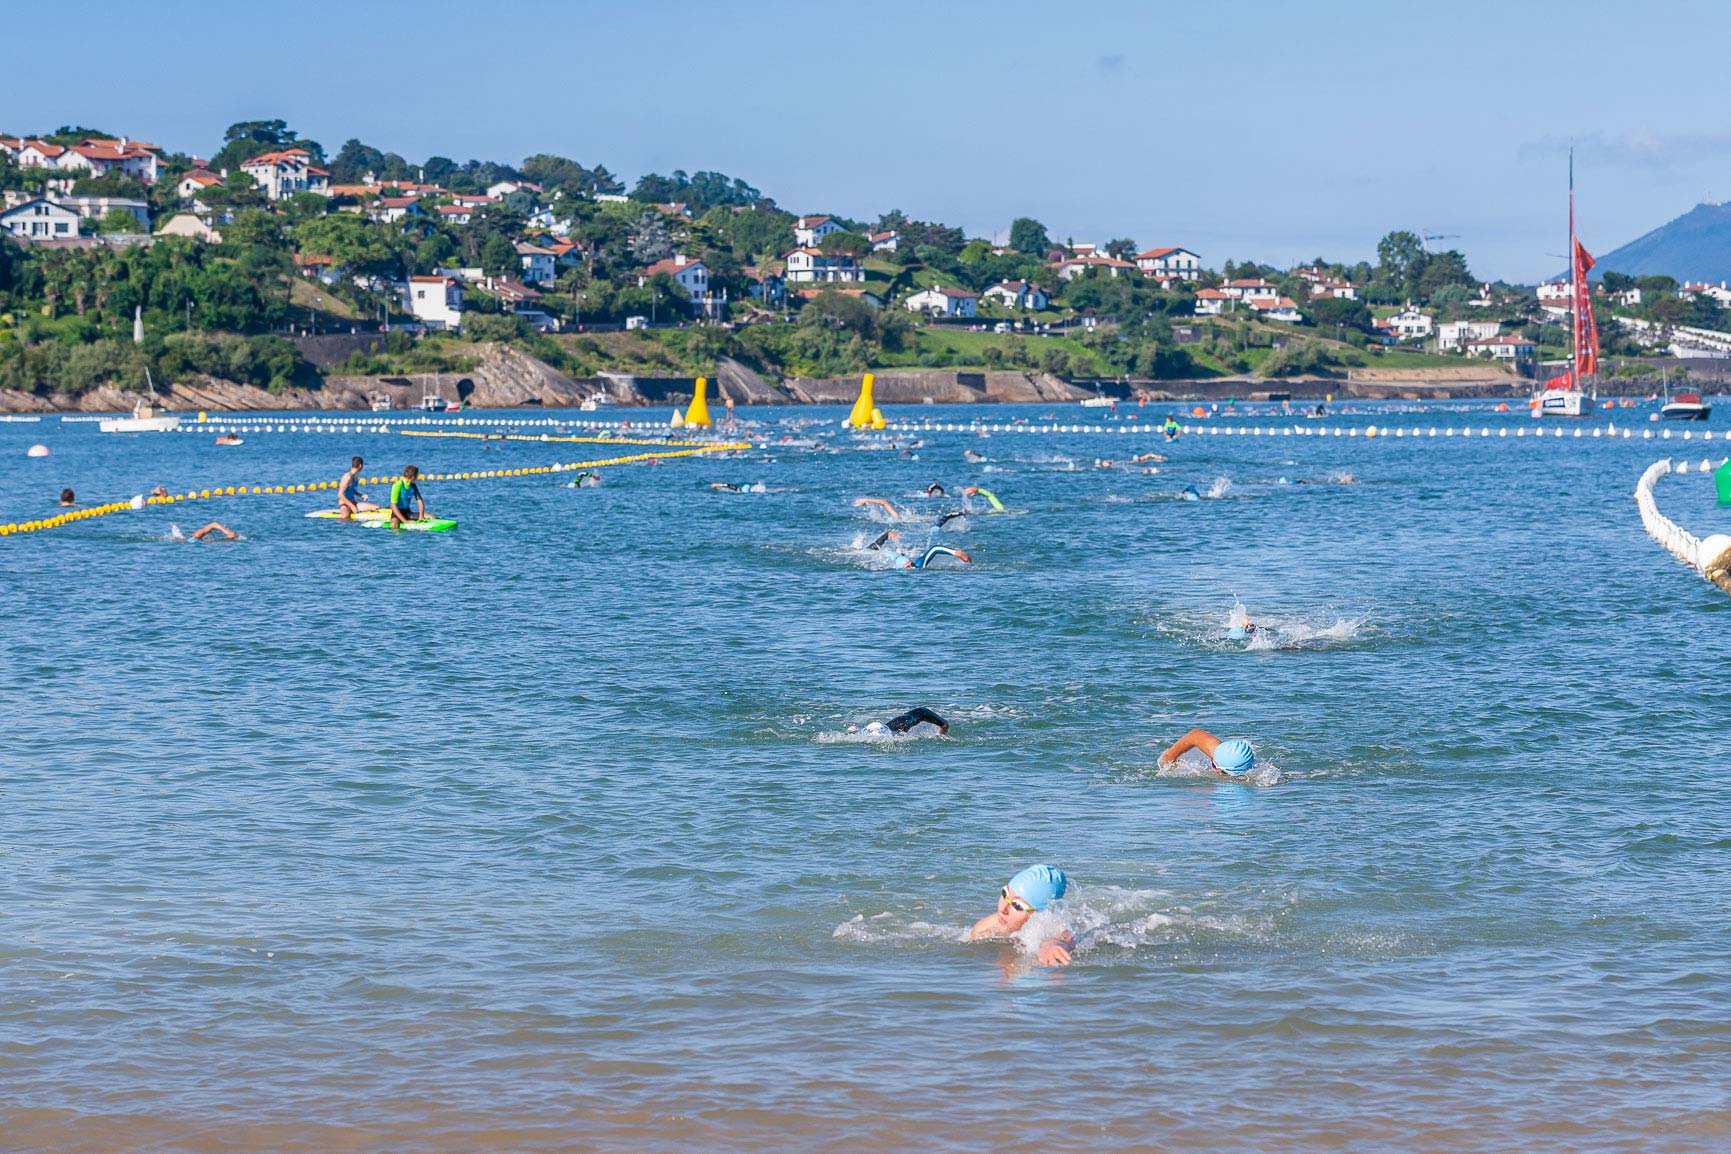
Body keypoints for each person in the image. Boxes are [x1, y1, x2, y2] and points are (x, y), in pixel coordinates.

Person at [969, 865, 1076, 967]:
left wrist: (1050, 946)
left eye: (1017, 905)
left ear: (1039, 913)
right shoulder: (988, 925)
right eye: (1005, 894)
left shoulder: (1053, 924)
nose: (1003, 909)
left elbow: (1063, 938)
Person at [1158, 728, 1255, 779]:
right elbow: (1195, 735)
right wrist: (1169, 757)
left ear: (1217, 769)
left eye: (1213, 762)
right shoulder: (1223, 753)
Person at [848, 707, 951, 737]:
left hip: (874, 729)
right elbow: (922, 711)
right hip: (883, 731)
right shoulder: (911, 719)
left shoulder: (901, 722)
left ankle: (855, 731)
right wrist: (942, 731)